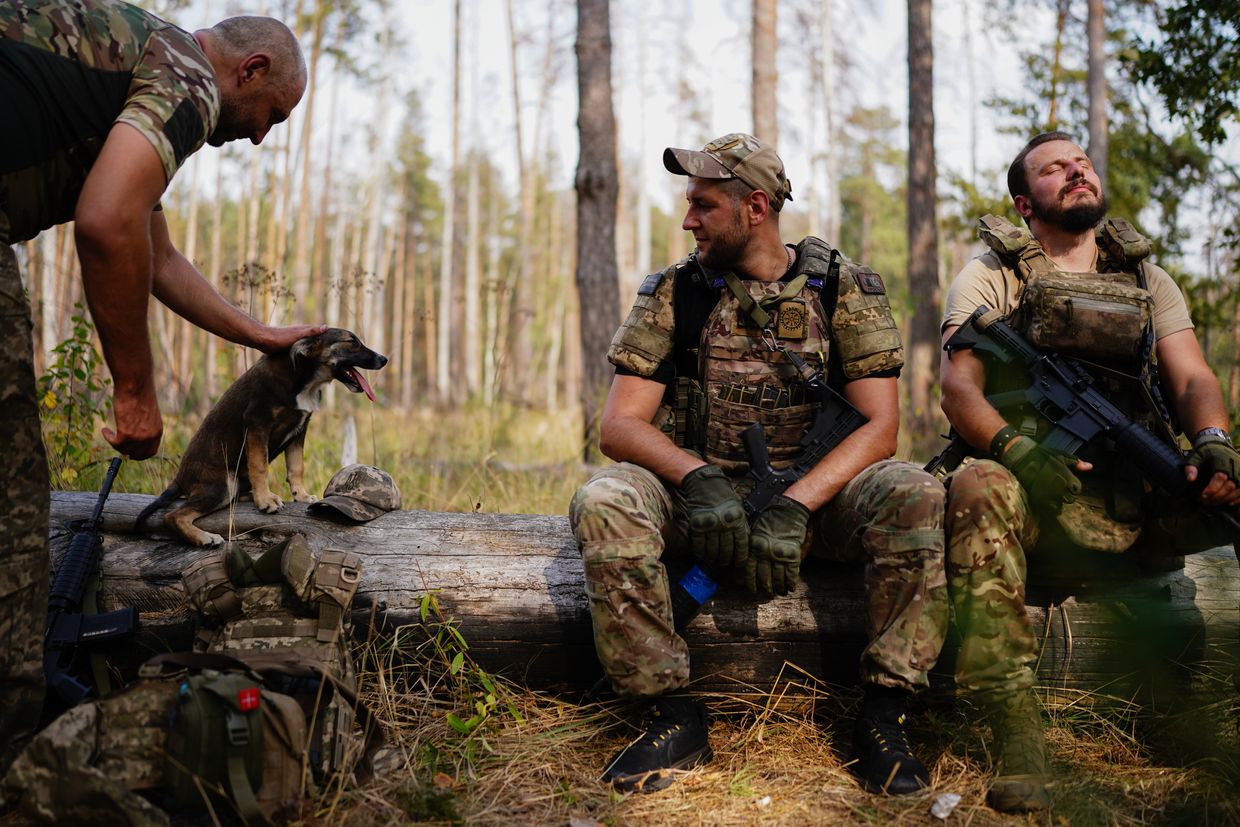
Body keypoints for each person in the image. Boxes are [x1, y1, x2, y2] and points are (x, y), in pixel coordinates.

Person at [0, 0, 324, 775]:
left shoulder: (139, 61)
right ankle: (15, 759)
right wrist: (134, 392)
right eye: (269, 114)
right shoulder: (184, 73)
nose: (258, 137)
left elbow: (158, 253)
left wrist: (260, 333)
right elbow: (106, 222)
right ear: (249, 71)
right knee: (12, 503)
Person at [569, 132, 948, 795]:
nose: (688, 220)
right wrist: (696, 475)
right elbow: (619, 424)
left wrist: (798, 503)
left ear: (755, 208)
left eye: (704, 205)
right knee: (605, 497)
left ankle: (886, 713)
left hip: (818, 505)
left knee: (915, 491)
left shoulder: (842, 287)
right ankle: (670, 712)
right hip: (704, 506)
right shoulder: (676, 291)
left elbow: (881, 427)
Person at [938, 131, 1240, 812]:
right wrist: (1016, 449)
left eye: (1080, 162)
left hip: (1133, 486)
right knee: (975, 484)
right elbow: (959, 392)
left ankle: (1181, 693)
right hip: (1035, 487)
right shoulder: (992, 276)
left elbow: (1191, 375)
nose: (1075, 170)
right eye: (1053, 168)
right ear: (1024, 201)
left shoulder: (1145, 279)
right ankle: (1016, 728)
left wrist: (1215, 444)